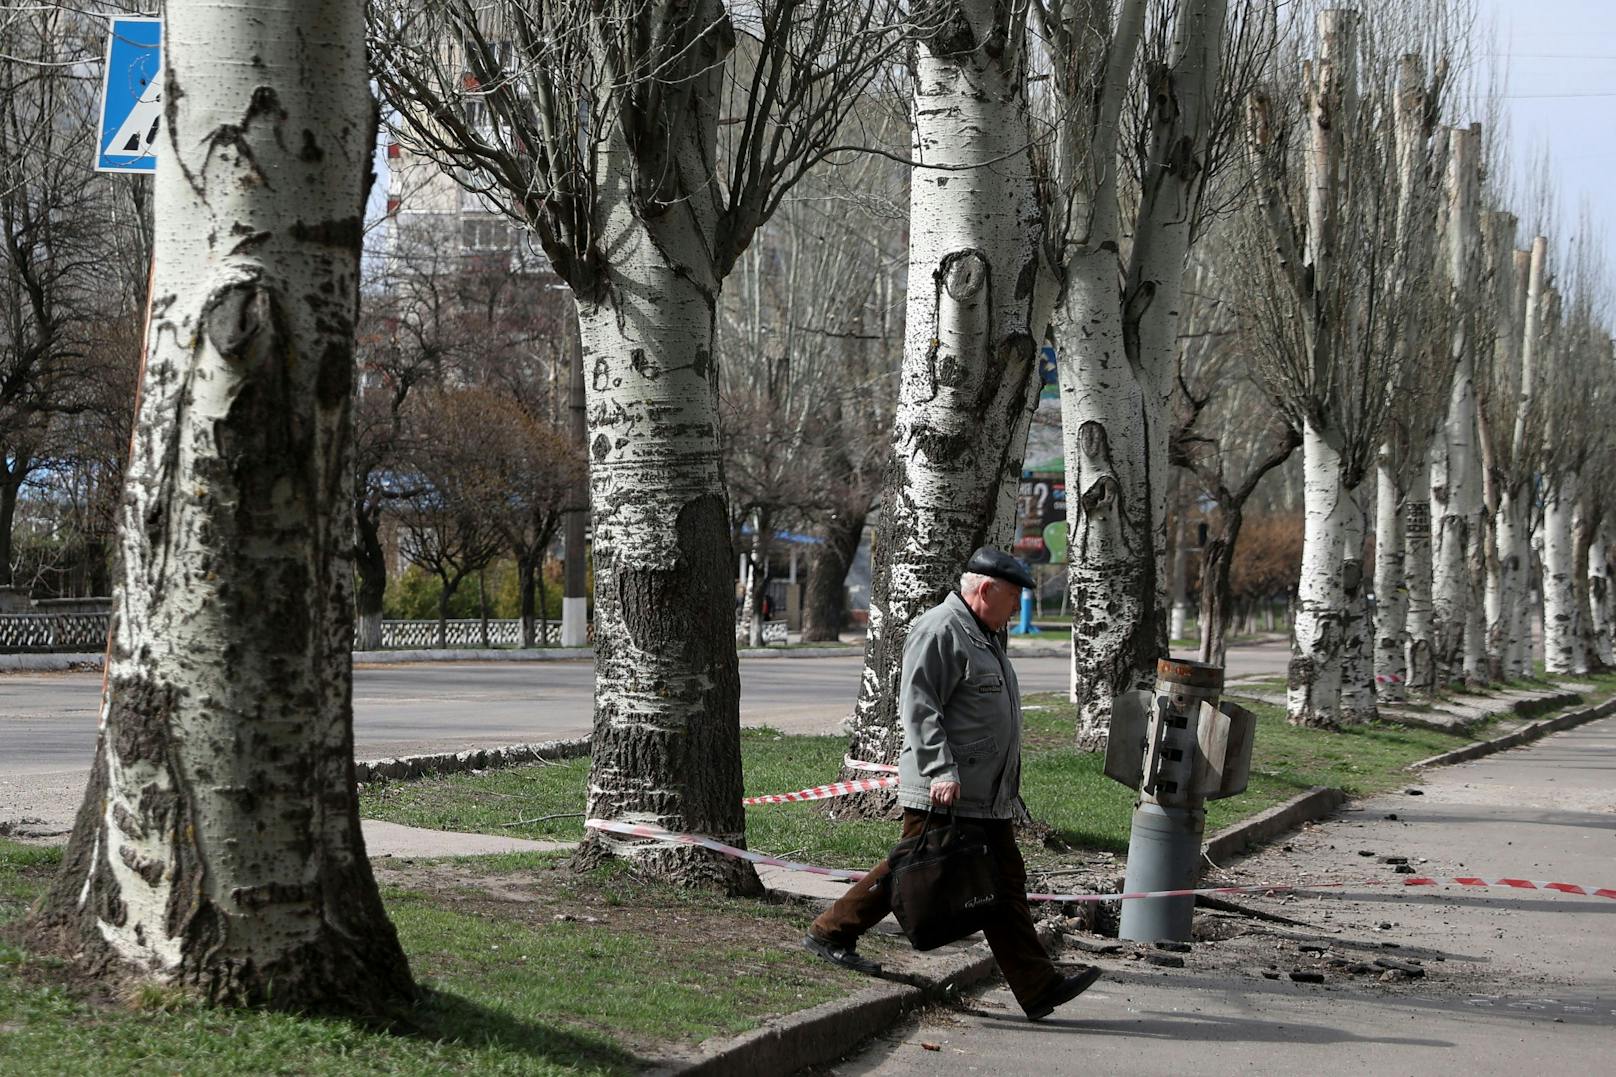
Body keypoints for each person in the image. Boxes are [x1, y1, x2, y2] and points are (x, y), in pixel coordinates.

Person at [802, 546, 1102, 1021]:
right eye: (1012, 599)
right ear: (985, 590)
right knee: (913, 869)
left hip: (985, 795)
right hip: (948, 788)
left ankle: (1038, 986)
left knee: (1005, 885)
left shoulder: (981, 634)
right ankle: (831, 932)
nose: (1015, 609)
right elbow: (919, 706)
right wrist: (941, 769)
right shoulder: (941, 628)